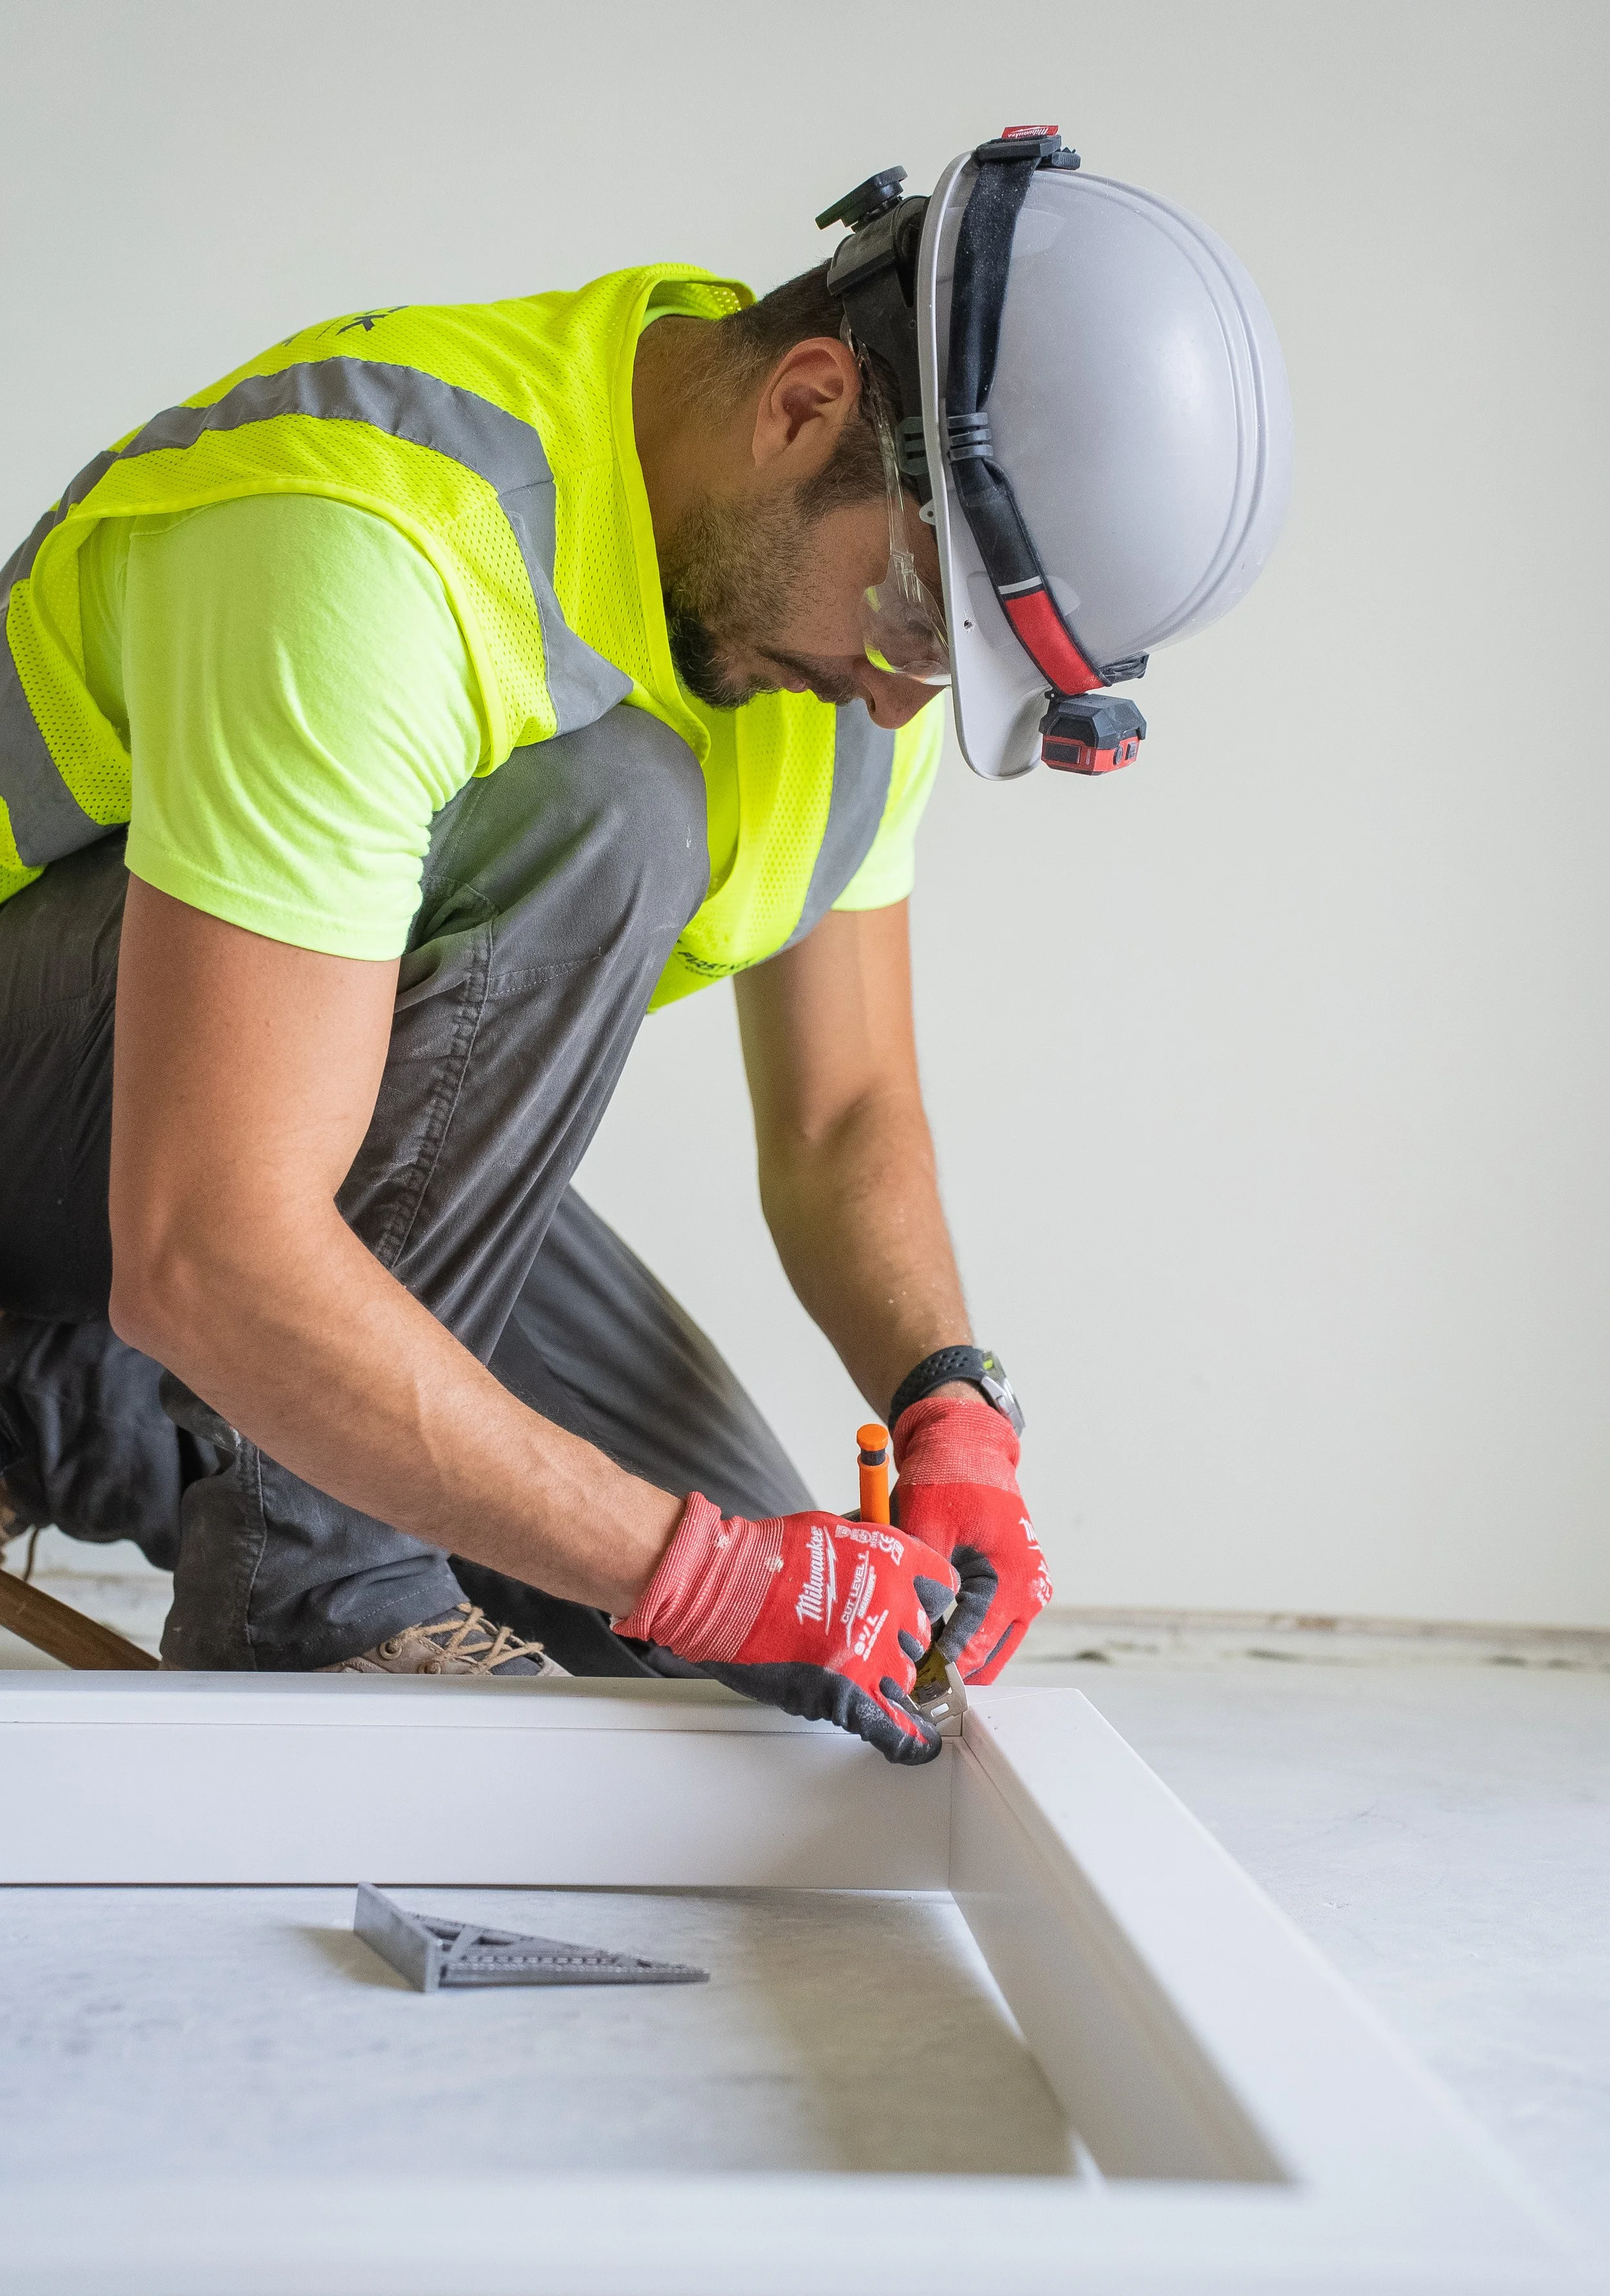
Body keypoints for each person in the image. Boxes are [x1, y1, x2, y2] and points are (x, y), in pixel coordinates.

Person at [0, 129, 1290, 1764]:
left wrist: (947, 1397)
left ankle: (142, 1428)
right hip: (99, 1166)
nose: (899, 698)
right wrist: (679, 1566)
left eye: (948, 673)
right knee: (607, 809)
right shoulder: (375, 539)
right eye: (911, 622)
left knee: (795, 1669)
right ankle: (308, 1586)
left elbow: (840, 1121)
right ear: (808, 401)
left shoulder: (832, 647)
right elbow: (210, 1239)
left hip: (207, 1172)